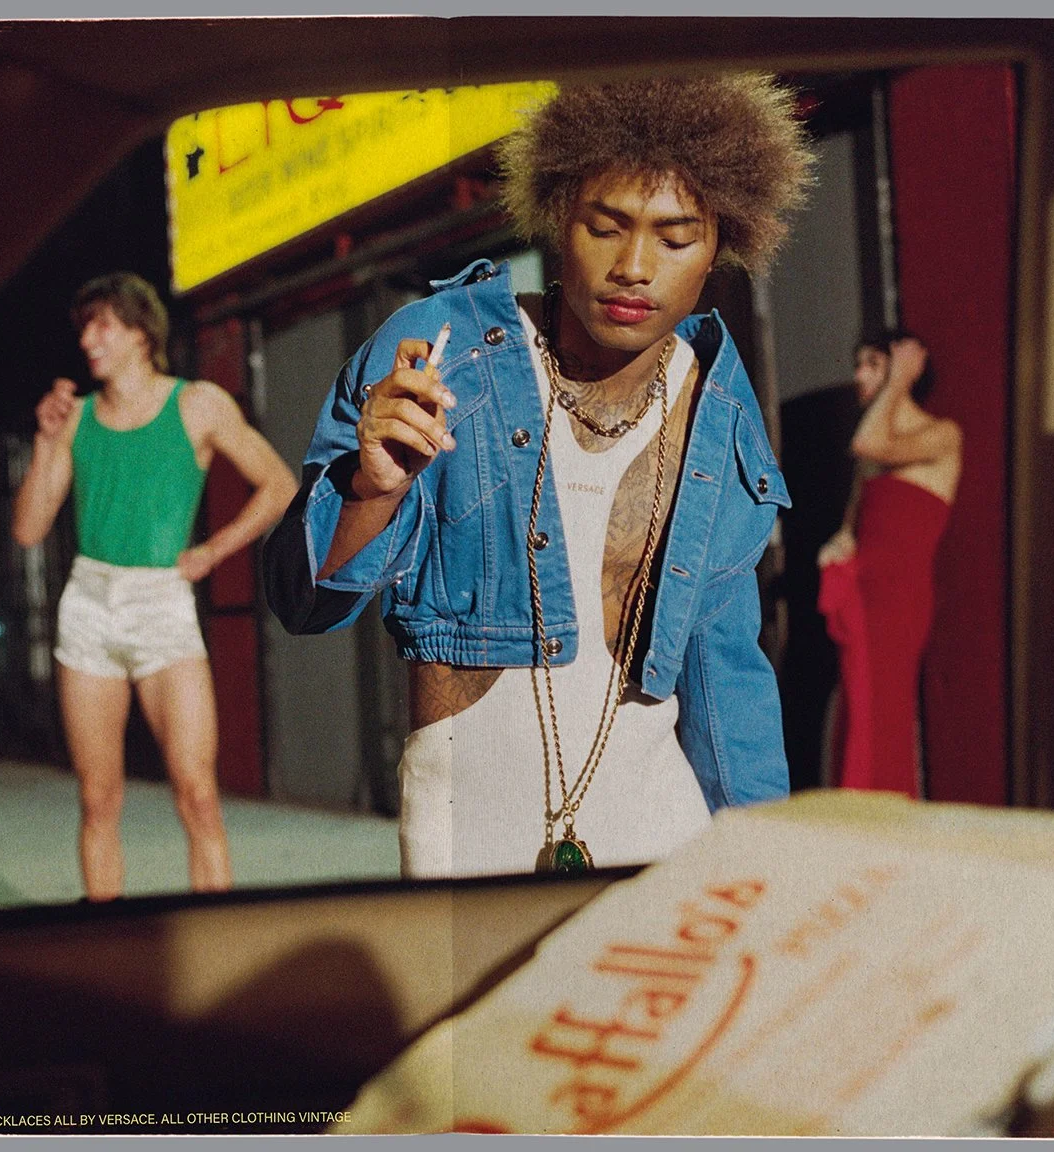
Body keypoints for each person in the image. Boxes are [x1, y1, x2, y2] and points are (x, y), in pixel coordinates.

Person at [265, 75, 812, 878]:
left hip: (663, 831)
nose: (634, 266)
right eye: (607, 226)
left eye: (674, 237)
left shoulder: (720, 414)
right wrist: (371, 488)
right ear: (560, 217)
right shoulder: (440, 352)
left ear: (721, 247)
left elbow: (726, 675)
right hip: (468, 829)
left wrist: (769, 866)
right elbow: (304, 601)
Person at [13, 272, 297, 898]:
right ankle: (105, 936)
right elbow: (30, 530)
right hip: (89, 603)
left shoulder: (196, 404)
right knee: (98, 799)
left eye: (103, 325)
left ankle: (216, 942)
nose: (88, 339)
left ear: (141, 333)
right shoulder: (76, 417)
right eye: (84, 327)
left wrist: (214, 551)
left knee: (197, 794)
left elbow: (278, 483)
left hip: (163, 604)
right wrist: (44, 441)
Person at [817, 330, 961, 796]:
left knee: (883, 717)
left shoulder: (940, 435)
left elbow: (869, 443)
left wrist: (898, 380)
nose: (859, 375)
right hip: (861, 598)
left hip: (898, 605)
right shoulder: (873, 449)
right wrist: (838, 547)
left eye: (872, 364)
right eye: (858, 364)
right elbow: (851, 527)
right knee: (856, 713)